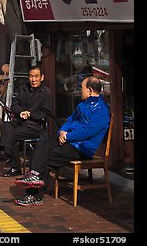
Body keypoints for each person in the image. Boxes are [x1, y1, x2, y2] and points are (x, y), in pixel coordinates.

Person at [14, 76, 110, 207]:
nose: (80, 90)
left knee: (44, 158)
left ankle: (34, 195)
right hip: (68, 139)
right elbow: (70, 120)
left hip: (81, 148)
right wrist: (62, 132)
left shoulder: (101, 110)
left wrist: (68, 136)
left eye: (82, 88)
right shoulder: (83, 104)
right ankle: (34, 175)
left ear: (90, 90)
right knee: (41, 145)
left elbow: (88, 132)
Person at [0, 64, 52, 177]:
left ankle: (11, 161)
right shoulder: (23, 88)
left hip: (34, 126)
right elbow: (14, 104)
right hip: (20, 121)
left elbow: (45, 112)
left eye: (36, 76)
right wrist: (21, 112)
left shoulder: (46, 93)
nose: (33, 79)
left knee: (12, 135)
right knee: (6, 126)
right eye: (31, 76)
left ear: (42, 77)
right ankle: (8, 155)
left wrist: (30, 114)